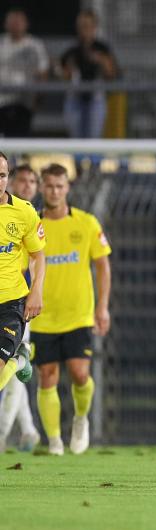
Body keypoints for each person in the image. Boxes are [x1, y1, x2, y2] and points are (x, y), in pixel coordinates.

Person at [31, 163, 111, 456]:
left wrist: (102, 307)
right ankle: (53, 441)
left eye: (59, 186)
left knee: (79, 373)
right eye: (49, 185)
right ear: (42, 187)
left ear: (68, 188)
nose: (54, 191)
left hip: (79, 314)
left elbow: (103, 265)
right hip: (43, 316)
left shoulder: (87, 223)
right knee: (47, 375)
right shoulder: (34, 225)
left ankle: (80, 419)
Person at [0, 152, 45, 436]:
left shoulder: (24, 212)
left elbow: (38, 256)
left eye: (2, 175)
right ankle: (20, 359)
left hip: (12, 302)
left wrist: (36, 291)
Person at [60, 9, 118, 139]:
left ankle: (94, 160)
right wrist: (68, 71)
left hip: (96, 100)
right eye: (81, 26)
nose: (84, 30)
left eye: (87, 26)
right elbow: (64, 76)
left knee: (94, 139)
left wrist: (101, 61)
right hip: (75, 99)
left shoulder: (102, 48)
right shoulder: (72, 50)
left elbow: (112, 75)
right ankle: (78, 160)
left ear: (94, 27)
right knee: (76, 140)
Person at [0, 8, 49, 137]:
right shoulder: (1, 43)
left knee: (20, 140)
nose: (16, 25)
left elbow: (43, 73)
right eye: (12, 22)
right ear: (6, 24)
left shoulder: (35, 45)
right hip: (1, 101)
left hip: (24, 103)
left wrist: (37, 100)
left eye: (19, 22)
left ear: (26, 24)